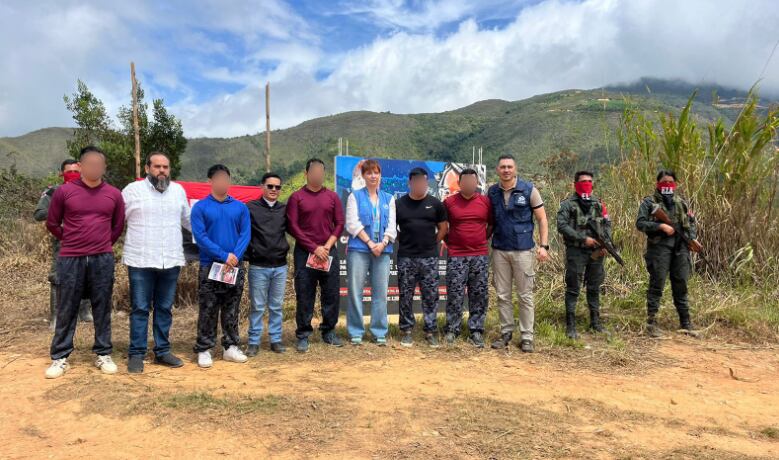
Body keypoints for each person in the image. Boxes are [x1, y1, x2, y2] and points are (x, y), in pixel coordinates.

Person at [44, 146, 125, 379]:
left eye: (99, 164)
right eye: (90, 163)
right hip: (70, 258)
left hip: (102, 258)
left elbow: (118, 226)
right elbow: (52, 223)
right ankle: (60, 357)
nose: (95, 167)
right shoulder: (64, 192)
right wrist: (71, 240)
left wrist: (100, 243)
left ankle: (103, 353)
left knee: (101, 307)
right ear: (80, 166)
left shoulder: (113, 194)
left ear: (104, 167)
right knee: (67, 306)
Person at [122, 152, 191, 373]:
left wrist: (216, 236)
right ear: (147, 169)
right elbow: (115, 219)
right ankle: (136, 354)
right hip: (140, 260)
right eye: (157, 166)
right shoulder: (132, 190)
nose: (161, 170)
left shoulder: (178, 191)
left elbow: (188, 221)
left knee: (164, 308)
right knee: (140, 308)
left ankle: (162, 351)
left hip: (170, 260)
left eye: (165, 167)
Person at [488, 154, 550, 353]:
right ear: (497, 170)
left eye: (509, 167)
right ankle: (506, 333)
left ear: (515, 169)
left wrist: (544, 246)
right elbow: (489, 221)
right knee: (503, 295)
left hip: (524, 251)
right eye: (502, 167)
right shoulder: (492, 192)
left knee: (525, 296)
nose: (506, 170)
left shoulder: (530, 190)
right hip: (499, 250)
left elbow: (542, 219)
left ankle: (527, 337)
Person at [191, 164, 251, 368]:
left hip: (234, 266)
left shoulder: (240, 207)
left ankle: (231, 346)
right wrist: (224, 255)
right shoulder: (200, 207)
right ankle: (204, 348)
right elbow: (201, 237)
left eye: (226, 178)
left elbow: (245, 234)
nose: (222, 182)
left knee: (232, 306)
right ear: (210, 181)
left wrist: (234, 257)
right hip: (211, 266)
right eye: (218, 178)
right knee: (208, 308)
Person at [286, 158, 345, 352]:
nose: (318, 175)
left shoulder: (333, 197)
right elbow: (293, 227)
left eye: (321, 171)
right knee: (305, 295)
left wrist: (327, 246)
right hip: (305, 253)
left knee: (331, 294)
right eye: (314, 171)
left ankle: (329, 331)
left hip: (329, 252)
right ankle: (303, 334)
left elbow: (339, 223)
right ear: (307, 174)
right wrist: (314, 247)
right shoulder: (296, 197)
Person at [636, 170, 700, 338]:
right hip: (659, 249)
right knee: (657, 284)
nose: (667, 185)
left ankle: (686, 323)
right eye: (664, 182)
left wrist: (692, 239)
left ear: (675, 184)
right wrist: (660, 227)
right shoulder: (649, 203)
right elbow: (640, 223)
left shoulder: (681, 203)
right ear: (658, 184)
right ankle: (651, 324)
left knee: (681, 284)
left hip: (680, 248)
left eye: (670, 182)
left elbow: (690, 223)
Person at [33, 158, 92, 330]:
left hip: (88, 241)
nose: (73, 175)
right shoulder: (53, 191)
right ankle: (56, 318)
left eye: (76, 171)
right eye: (69, 172)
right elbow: (39, 214)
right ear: (62, 174)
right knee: (58, 278)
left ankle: (84, 312)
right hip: (63, 241)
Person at [345, 159, 397, 346]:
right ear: (364, 176)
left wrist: (382, 243)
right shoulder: (354, 196)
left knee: (380, 293)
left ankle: (379, 331)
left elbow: (392, 227)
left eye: (376, 172)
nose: (373, 176)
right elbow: (352, 224)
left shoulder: (389, 199)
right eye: (369, 173)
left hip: (382, 251)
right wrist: (369, 243)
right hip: (359, 249)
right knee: (355, 291)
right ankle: (356, 331)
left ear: (380, 175)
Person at [395, 167, 448, 348]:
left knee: (431, 295)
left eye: (424, 182)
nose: (421, 185)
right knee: (405, 295)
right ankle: (407, 331)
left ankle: (430, 330)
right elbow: (392, 229)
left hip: (429, 258)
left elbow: (443, 228)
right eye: (417, 181)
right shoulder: (399, 204)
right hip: (406, 257)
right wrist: (405, 241)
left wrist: (432, 243)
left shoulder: (435, 204)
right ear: (410, 183)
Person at [556, 171, 611, 339]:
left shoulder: (598, 204)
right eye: (583, 181)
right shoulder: (567, 205)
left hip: (596, 252)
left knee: (594, 287)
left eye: (589, 181)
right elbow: (562, 226)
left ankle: (595, 322)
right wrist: (583, 238)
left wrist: (605, 243)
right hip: (576, 251)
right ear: (575, 184)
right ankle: (571, 326)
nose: (587, 183)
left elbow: (607, 223)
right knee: (573, 287)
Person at [443, 168, 492, 348]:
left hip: (479, 255)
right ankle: (452, 329)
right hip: (456, 256)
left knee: (478, 294)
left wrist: (479, 240)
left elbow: (491, 225)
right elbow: (442, 227)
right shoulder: (449, 203)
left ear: (476, 183)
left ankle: (476, 330)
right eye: (466, 182)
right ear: (460, 183)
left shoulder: (485, 202)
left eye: (473, 181)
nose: (469, 184)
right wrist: (453, 242)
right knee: (455, 293)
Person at [245, 172, 290, 356]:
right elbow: (243, 233)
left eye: (277, 187)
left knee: (276, 306)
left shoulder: (284, 209)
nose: (273, 190)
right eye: (270, 186)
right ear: (262, 187)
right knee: (257, 306)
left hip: (280, 266)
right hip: (258, 266)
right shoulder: (250, 208)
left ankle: (275, 340)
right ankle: (254, 342)